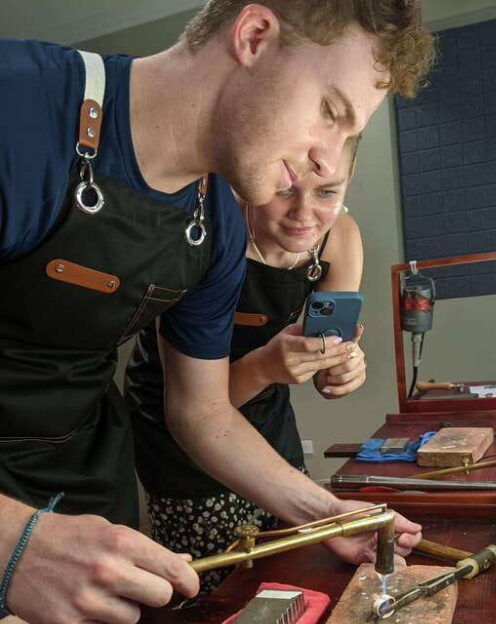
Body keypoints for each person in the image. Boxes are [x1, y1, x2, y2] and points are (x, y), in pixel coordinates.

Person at [0, 1, 435, 624]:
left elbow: (201, 412)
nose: (326, 161)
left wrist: (330, 514)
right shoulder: (21, 111)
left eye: (347, 138)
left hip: (87, 472)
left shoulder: (217, 227)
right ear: (255, 35)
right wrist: (16, 541)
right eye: (330, 113)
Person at [126, 138, 366, 592]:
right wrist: (265, 368)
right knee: (217, 587)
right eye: (283, 190)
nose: (303, 214)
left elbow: (326, 349)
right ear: (249, 175)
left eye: (327, 193)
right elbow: (195, 410)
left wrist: (341, 365)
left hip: (266, 412)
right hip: (176, 422)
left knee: (297, 567)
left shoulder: (342, 239)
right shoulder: (203, 235)